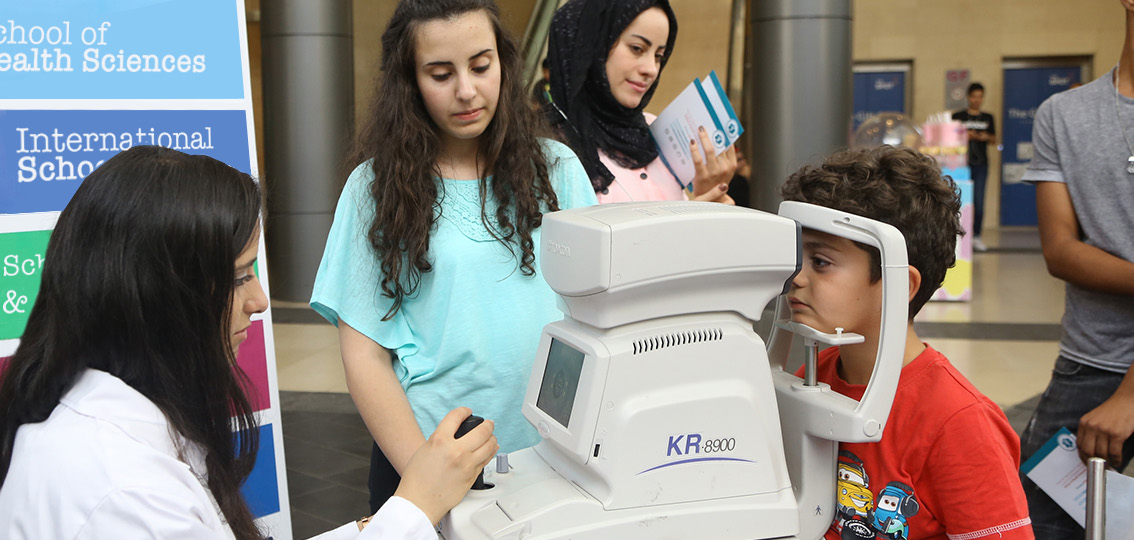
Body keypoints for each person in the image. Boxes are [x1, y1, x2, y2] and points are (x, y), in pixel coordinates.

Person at [0, 146, 498, 540]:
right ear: (156, 295)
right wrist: (413, 506)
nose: (259, 301)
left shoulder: (97, 423)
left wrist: (381, 523)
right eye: (239, 277)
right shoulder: (126, 493)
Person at [310, 0, 599, 514]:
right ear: (410, 82)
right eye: (441, 74)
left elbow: (598, 314)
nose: (466, 90)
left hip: (554, 457)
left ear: (504, 64)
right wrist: (428, 479)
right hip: (427, 455)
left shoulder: (558, 170)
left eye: (481, 66)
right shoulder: (374, 189)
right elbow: (364, 354)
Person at [782, 146, 1033, 540]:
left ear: (901, 284)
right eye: (798, 259)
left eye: (821, 262)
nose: (796, 277)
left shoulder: (959, 423)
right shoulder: (814, 377)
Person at [1019, 2, 1134, 536]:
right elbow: (1061, 251)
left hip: (1121, 388)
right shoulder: (1062, 114)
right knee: (1032, 521)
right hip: (1088, 364)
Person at [546, 0, 736, 204]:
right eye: (637, 48)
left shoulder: (656, 131)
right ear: (589, 45)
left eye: (659, 56)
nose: (651, 69)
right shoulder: (542, 146)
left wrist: (709, 202)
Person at [951, 82, 997, 252]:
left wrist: (984, 137)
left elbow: (994, 140)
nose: (977, 100)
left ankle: (976, 236)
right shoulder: (958, 116)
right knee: (959, 201)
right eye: (974, 97)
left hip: (981, 165)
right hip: (961, 164)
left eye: (980, 97)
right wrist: (965, 135)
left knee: (979, 201)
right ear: (968, 97)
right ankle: (958, 235)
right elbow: (950, 137)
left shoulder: (988, 117)